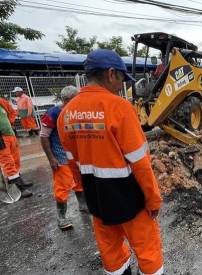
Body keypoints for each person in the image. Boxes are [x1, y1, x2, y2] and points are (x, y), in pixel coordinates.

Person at [57, 49, 163, 275]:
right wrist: (153, 199)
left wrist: (87, 193)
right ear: (111, 73)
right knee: (148, 252)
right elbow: (140, 163)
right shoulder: (119, 108)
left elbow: (73, 164)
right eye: (123, 78)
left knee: (111, 254)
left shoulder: (66, 114)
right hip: (130, 200)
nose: (122, 85)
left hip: (97, 200)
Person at [40, 86, 88, 230]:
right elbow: (44, 137)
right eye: (76, 99)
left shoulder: (77, 112)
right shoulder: (53, 114)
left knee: (79, 182)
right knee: (62, 188)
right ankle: (61, 217)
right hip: (61, 158)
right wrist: (51, 158)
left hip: (76, 158)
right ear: (67, 100)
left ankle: (83, 205)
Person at [0, 102, 32, 198]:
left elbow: (12, 112)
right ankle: (20, 188)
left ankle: (17, 180)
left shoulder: (1, 102)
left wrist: (10, 122)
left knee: (15, 160)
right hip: (1, 138)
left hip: (10, 135)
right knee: (8, 162)